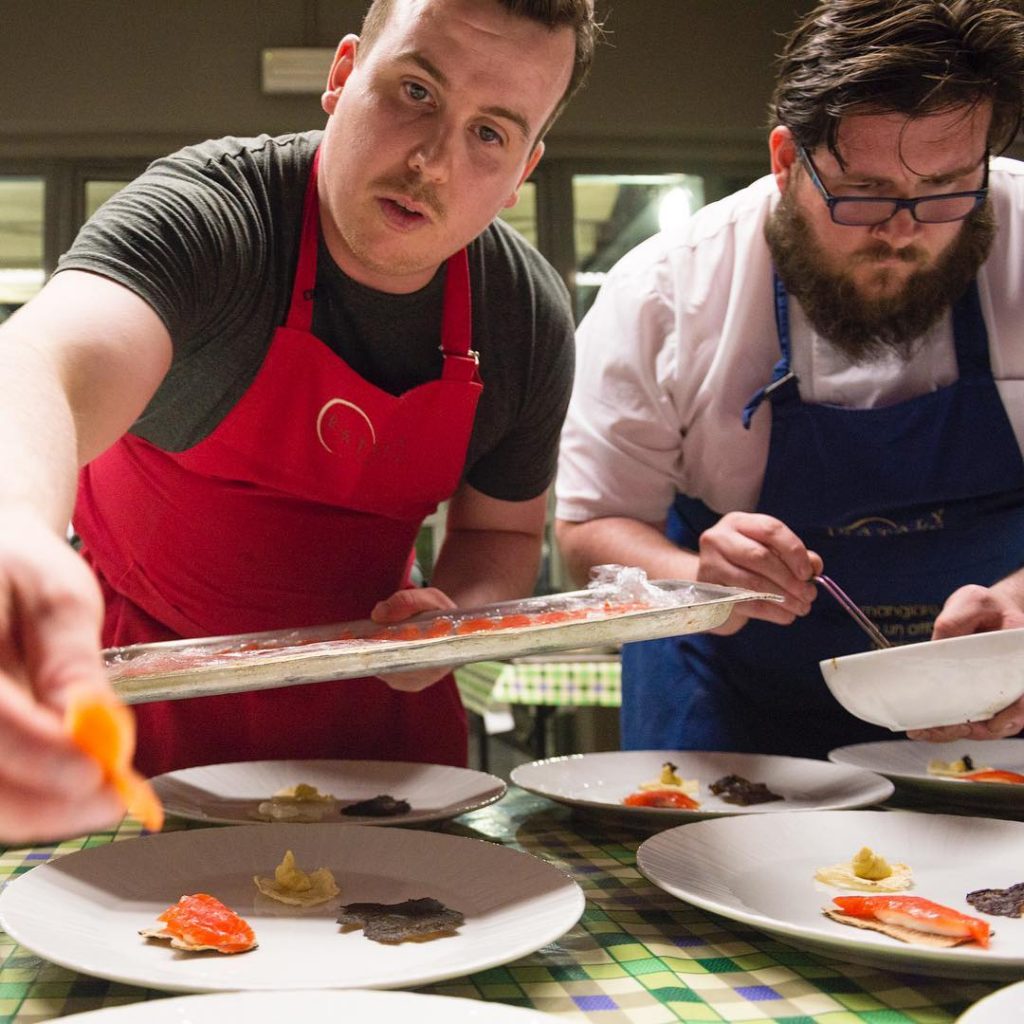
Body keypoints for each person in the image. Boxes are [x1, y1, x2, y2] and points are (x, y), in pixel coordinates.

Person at [0, 0, 599, 842]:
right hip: (144, 702)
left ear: (523, 171)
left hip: (376, 733)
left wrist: (451, 620)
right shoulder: (214, 218)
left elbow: (501, 537)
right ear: (344, 74)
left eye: (489, 134)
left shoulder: (524, 315)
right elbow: (38, 367)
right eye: (416, 90)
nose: (432, 160)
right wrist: (17, 540)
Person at [555, 0, 1024, 760]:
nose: (902, 232)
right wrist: (698, 579)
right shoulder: (667, 292)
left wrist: (1018, 605)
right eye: (862, 192)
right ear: (784, 161)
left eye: (945, 190)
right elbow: (589, 528)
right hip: (739, 719)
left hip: (998, 707)